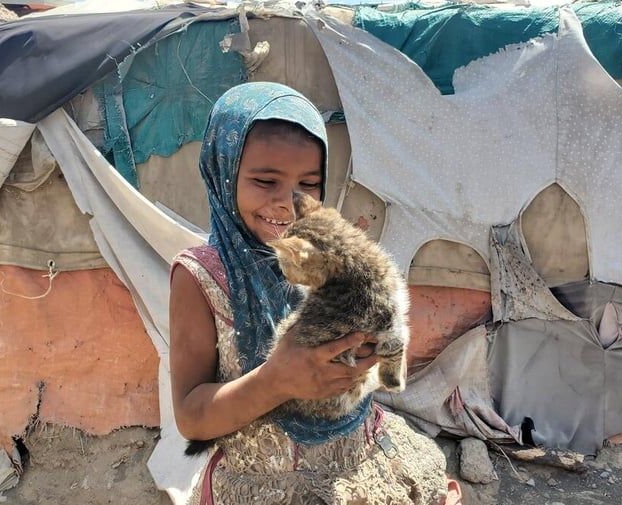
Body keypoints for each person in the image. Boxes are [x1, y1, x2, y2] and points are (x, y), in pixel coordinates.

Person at [169, 82, 454, 504]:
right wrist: (274, 381)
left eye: (308, 183)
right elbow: (191, 419)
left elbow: (378, 339)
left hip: (359, 459)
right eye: (265, 180)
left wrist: (370, 352)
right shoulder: (201, 278)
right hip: (265, 484)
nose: (287, 203)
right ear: (223, 172)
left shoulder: (331, 256)